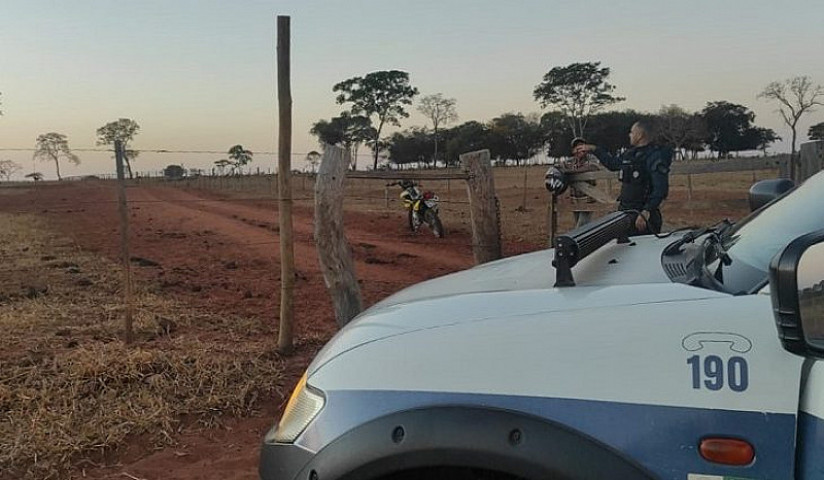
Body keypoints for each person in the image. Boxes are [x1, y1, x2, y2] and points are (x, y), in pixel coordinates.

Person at [573, 120, 672, 234]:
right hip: (626, 213)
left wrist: (646, 211)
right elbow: (612, 164)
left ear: (640, 135)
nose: (629, 135)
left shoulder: (655, 157)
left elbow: (660, 189)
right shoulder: (630, 154)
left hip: (643, 217)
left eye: (632, 132)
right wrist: (594, 149)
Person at [561, 137, 600, 228]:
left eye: (582, 146)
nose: (579, 149)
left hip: (587, 200)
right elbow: (560, 168)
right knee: (581, 225)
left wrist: (572, 172)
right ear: (573, 150)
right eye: (577, 147)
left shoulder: (591, 158)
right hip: (575, 200)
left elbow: (594, 167)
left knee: (581, 226)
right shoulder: (570, 161)